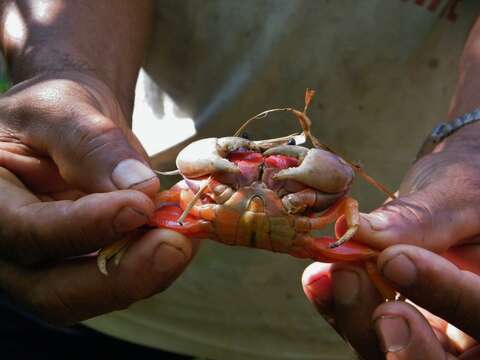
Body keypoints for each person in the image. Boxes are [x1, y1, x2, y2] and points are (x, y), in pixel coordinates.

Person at [0, 1, 478, 359]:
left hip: (355, 335)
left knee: (390, 253)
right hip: (97, 315)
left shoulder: (336, 210)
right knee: (133, 207)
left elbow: (362, 229)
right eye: (253, 158)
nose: (267, 167)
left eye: (289, 161)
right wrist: (67, 80)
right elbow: (158, 199)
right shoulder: (194, 193)